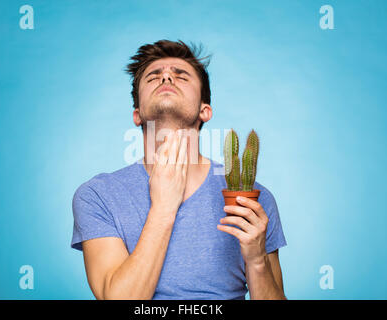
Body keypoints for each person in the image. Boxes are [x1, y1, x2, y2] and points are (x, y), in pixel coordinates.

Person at [71, 40, 287, 300]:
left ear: (204, 110)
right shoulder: (98, 195)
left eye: (181, 76)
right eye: (154, 76)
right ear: (137, 114)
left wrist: (257, 262)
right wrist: (163, 207)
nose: (166, 77)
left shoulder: (251, 200)